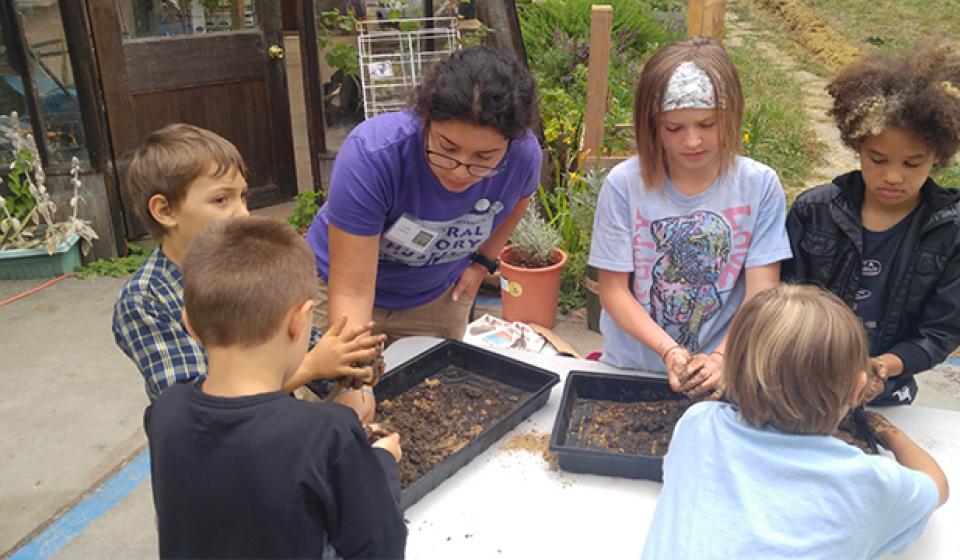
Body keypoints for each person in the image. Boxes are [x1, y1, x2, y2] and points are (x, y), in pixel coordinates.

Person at [146, 216, 407, 558]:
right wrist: (382, 463)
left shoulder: (164, 412)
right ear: (300, 321)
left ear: (189, 324)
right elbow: (380, 547)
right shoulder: (328, 434)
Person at [641, 284, 948, 560]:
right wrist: (886, 431)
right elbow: (936, 484)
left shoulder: (699, 424)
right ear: (857, 389)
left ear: (730, 374)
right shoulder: (869, 481)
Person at [112, 124, 382, 419]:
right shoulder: (146, 299)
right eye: (221, 200)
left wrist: (353, 371)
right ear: (165, 211)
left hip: (274, 429)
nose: (242, 213)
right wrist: (312, 366)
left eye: (242, 196)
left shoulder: (254, 267)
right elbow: (199, 411)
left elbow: (314, 347)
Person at [588, 36, 791, 398]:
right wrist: (669, 350)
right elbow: (614, 291)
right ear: (651, 125)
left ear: (731, 117)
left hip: (724, 367)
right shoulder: (624, 185)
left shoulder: (759, 185)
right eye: (674, 128)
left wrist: (720, 358)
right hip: (632, 364)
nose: (692, 141)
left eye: (706, 124)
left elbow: (762, 292)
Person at [306, 46, 542, 343]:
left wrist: (483, 264)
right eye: (447, 148)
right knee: (336, 386)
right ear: (425, 119)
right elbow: (352, 291)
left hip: (436, 298)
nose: (460, 172)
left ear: (510, 143)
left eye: (483, 157)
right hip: (335, 290)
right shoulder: (373, 155)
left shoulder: (523, 156)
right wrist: (353, 381)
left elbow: (520, 200)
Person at [783, 44, 960, 405]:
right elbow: (784, 302)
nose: (893, 176)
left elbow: (940, 332)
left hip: (888, 391)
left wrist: (880, 367)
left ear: (938, 157)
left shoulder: (950, 230)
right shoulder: (813, 211)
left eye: (913, 164)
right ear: (857, 145)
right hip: (801, 384)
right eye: (877, 159)